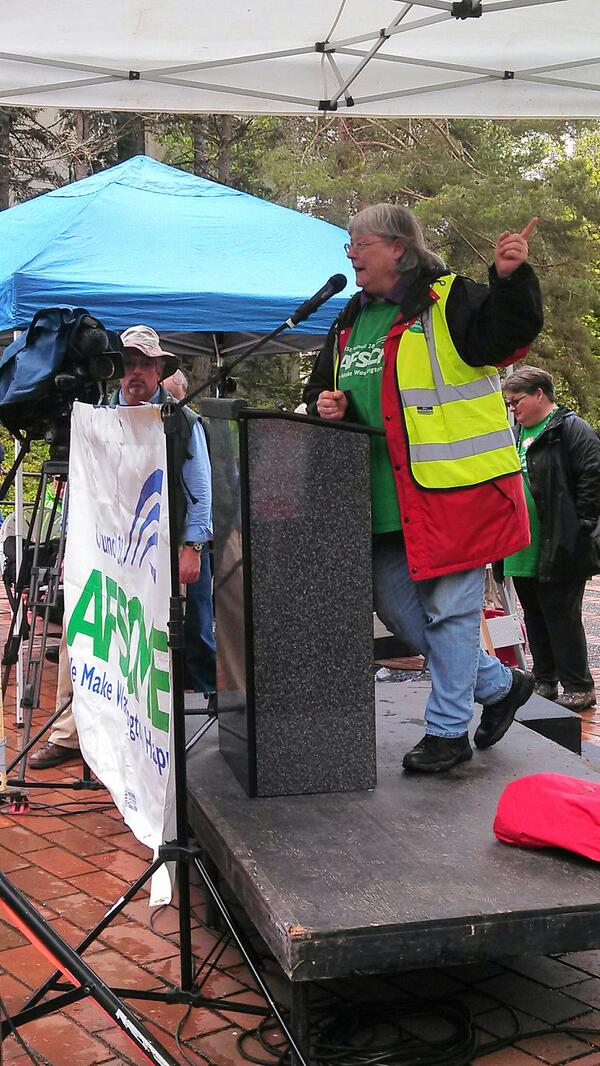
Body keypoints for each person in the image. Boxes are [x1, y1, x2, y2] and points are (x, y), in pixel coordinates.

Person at [303, 203, 543, 774]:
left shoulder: (448, 298)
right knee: (402, 609)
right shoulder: (348, 319)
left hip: (454, 490)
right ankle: (502, 685)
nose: (350, 254)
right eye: (348, 245)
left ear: (398, 250)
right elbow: (323, 390)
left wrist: (510, 278)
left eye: (359, 243)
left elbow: (507, 338)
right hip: (382, 500)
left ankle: (446, 731)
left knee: (450, 613)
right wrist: (326, 405)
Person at [30, 325, 215, 768]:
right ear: (116, 369)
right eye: (128, 363)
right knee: (87, 635)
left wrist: (193, 546)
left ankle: (169, 734)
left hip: (160, 551)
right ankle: (69, 734)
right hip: (105, 550)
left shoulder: (181, 420)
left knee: (161, 640)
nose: (135, 373)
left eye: (144, 365)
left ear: (159, 370)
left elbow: (201, 489)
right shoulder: (96, 417)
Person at [502, 365, 600, 710]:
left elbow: (592, 479)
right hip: (521, 544)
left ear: (539, 394)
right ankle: (545, 680)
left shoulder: (571, 429)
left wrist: (581, 529)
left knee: (561, 613)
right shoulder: (517, 431)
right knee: (535, 612)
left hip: (559, 542)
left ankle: (579, 685)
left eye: (516, 401)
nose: (512, 408)